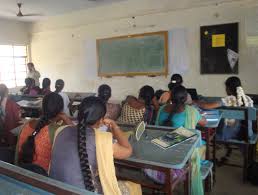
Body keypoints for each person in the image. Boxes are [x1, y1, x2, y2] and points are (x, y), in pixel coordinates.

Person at [49, 96, 141, 194]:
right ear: (101, 120)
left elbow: (76, 130)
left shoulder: (60, 131)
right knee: (134, 187)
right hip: (85, 191)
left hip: (55, 189)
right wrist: (114, 126)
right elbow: (127, 151)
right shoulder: (102, 139)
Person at [15, 92, 73, 172]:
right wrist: (68, 120)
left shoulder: (28, 124)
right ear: (61, 110)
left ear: (42, 108)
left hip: (21, 173)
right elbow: (76, 140)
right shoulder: (57, 130)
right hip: (43, 178)